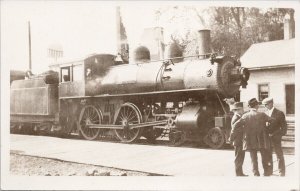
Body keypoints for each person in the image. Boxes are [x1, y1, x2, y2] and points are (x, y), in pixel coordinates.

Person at [233, 98, 273, 176]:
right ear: (257, 106)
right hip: (262, 139)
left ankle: (256, 173)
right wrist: (267, 129)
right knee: (264, 156)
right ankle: (266, 172)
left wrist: (244, 131)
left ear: (249, 106)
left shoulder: (245, 116)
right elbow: (273, 121)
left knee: (253, 158)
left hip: (250, 140)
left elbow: (235, 125)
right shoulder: (262, 115)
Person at [262, 97, 287, 176]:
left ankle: (281, 172)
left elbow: (284, 128)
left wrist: (277, 135)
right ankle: (270, 171)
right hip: (267, 138)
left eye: (266, 104)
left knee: (279, 155)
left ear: (271, 103)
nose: (265, 106)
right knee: (268, 154)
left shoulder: (279, 113)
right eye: (264, 105)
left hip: (276, 138)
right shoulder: (265, 113)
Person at [229, 102, 247, 176]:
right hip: (238, 141)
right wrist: (231, 139)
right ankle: (238, 173)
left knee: (240, 157)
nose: (243, 110)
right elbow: (233, 130)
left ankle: (240, 172)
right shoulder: (236, 117)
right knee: (238, 157)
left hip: (240, 140)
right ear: (239, 109)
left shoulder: (238, 116)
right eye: (242, 109)